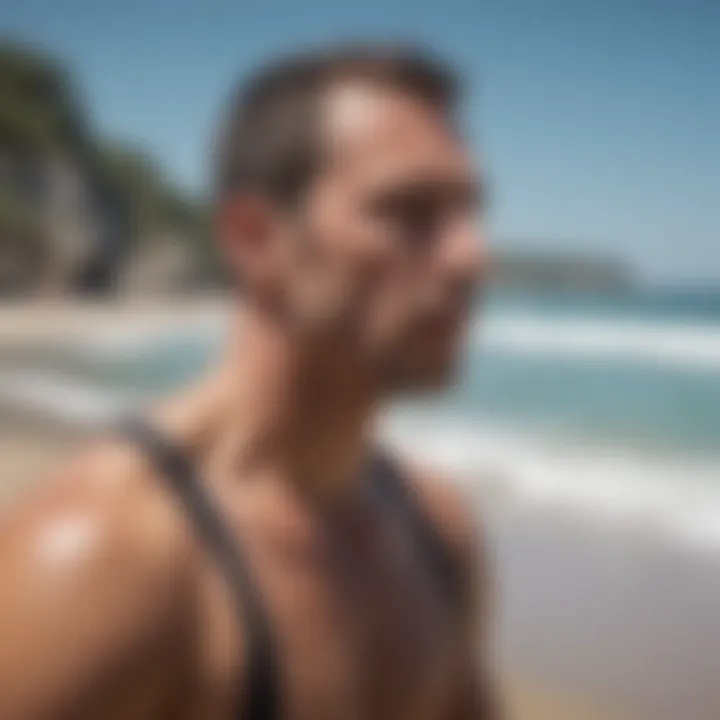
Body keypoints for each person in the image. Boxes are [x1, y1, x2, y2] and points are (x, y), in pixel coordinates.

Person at [0, 43, 497, 719]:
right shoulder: (106, 563)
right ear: (255, 238)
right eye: (411, 213)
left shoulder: (439, 535)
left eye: (469, 212)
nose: (472, 256)